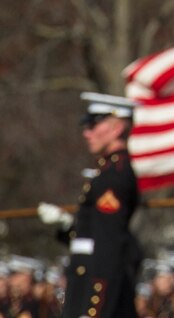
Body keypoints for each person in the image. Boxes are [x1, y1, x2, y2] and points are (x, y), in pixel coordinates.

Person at [38, 92, 142, 318]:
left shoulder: (113, 178)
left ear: (116, 128)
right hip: (84, 290)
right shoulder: (104, 174)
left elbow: (109, 249)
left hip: (96, 298)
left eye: (94, 125)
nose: (87, 133)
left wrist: (95, 309)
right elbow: (91, 240)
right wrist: (67, 225)